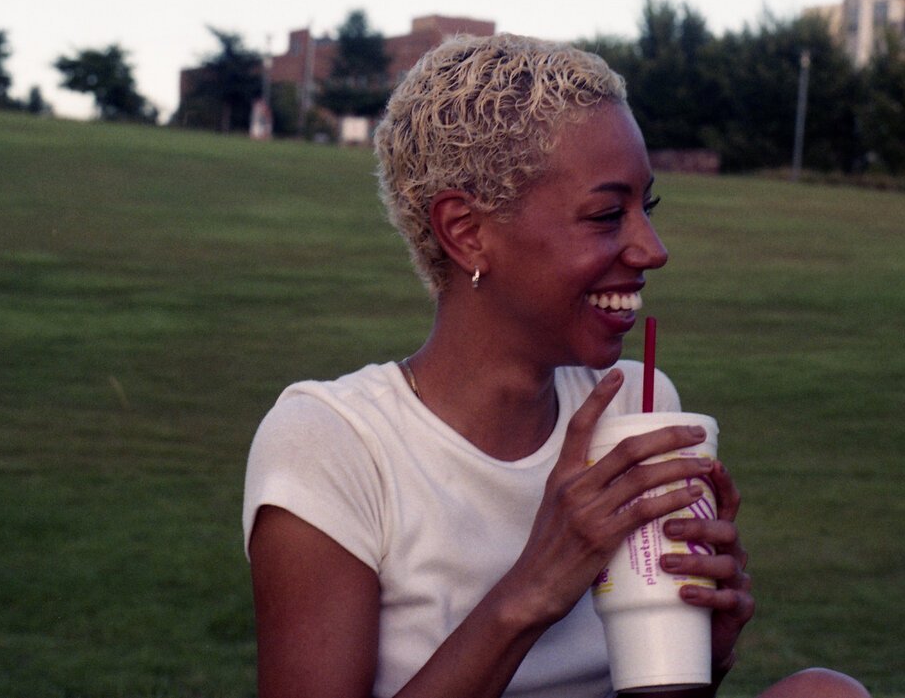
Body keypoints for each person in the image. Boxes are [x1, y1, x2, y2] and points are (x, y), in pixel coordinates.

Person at [243, 34, 870, 698]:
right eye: (607, 214)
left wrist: (697, 651)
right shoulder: (335, 443)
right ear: (466, 231)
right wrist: (535, 588)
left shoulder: (636, 405)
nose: (652, 249)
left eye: (647, 208)